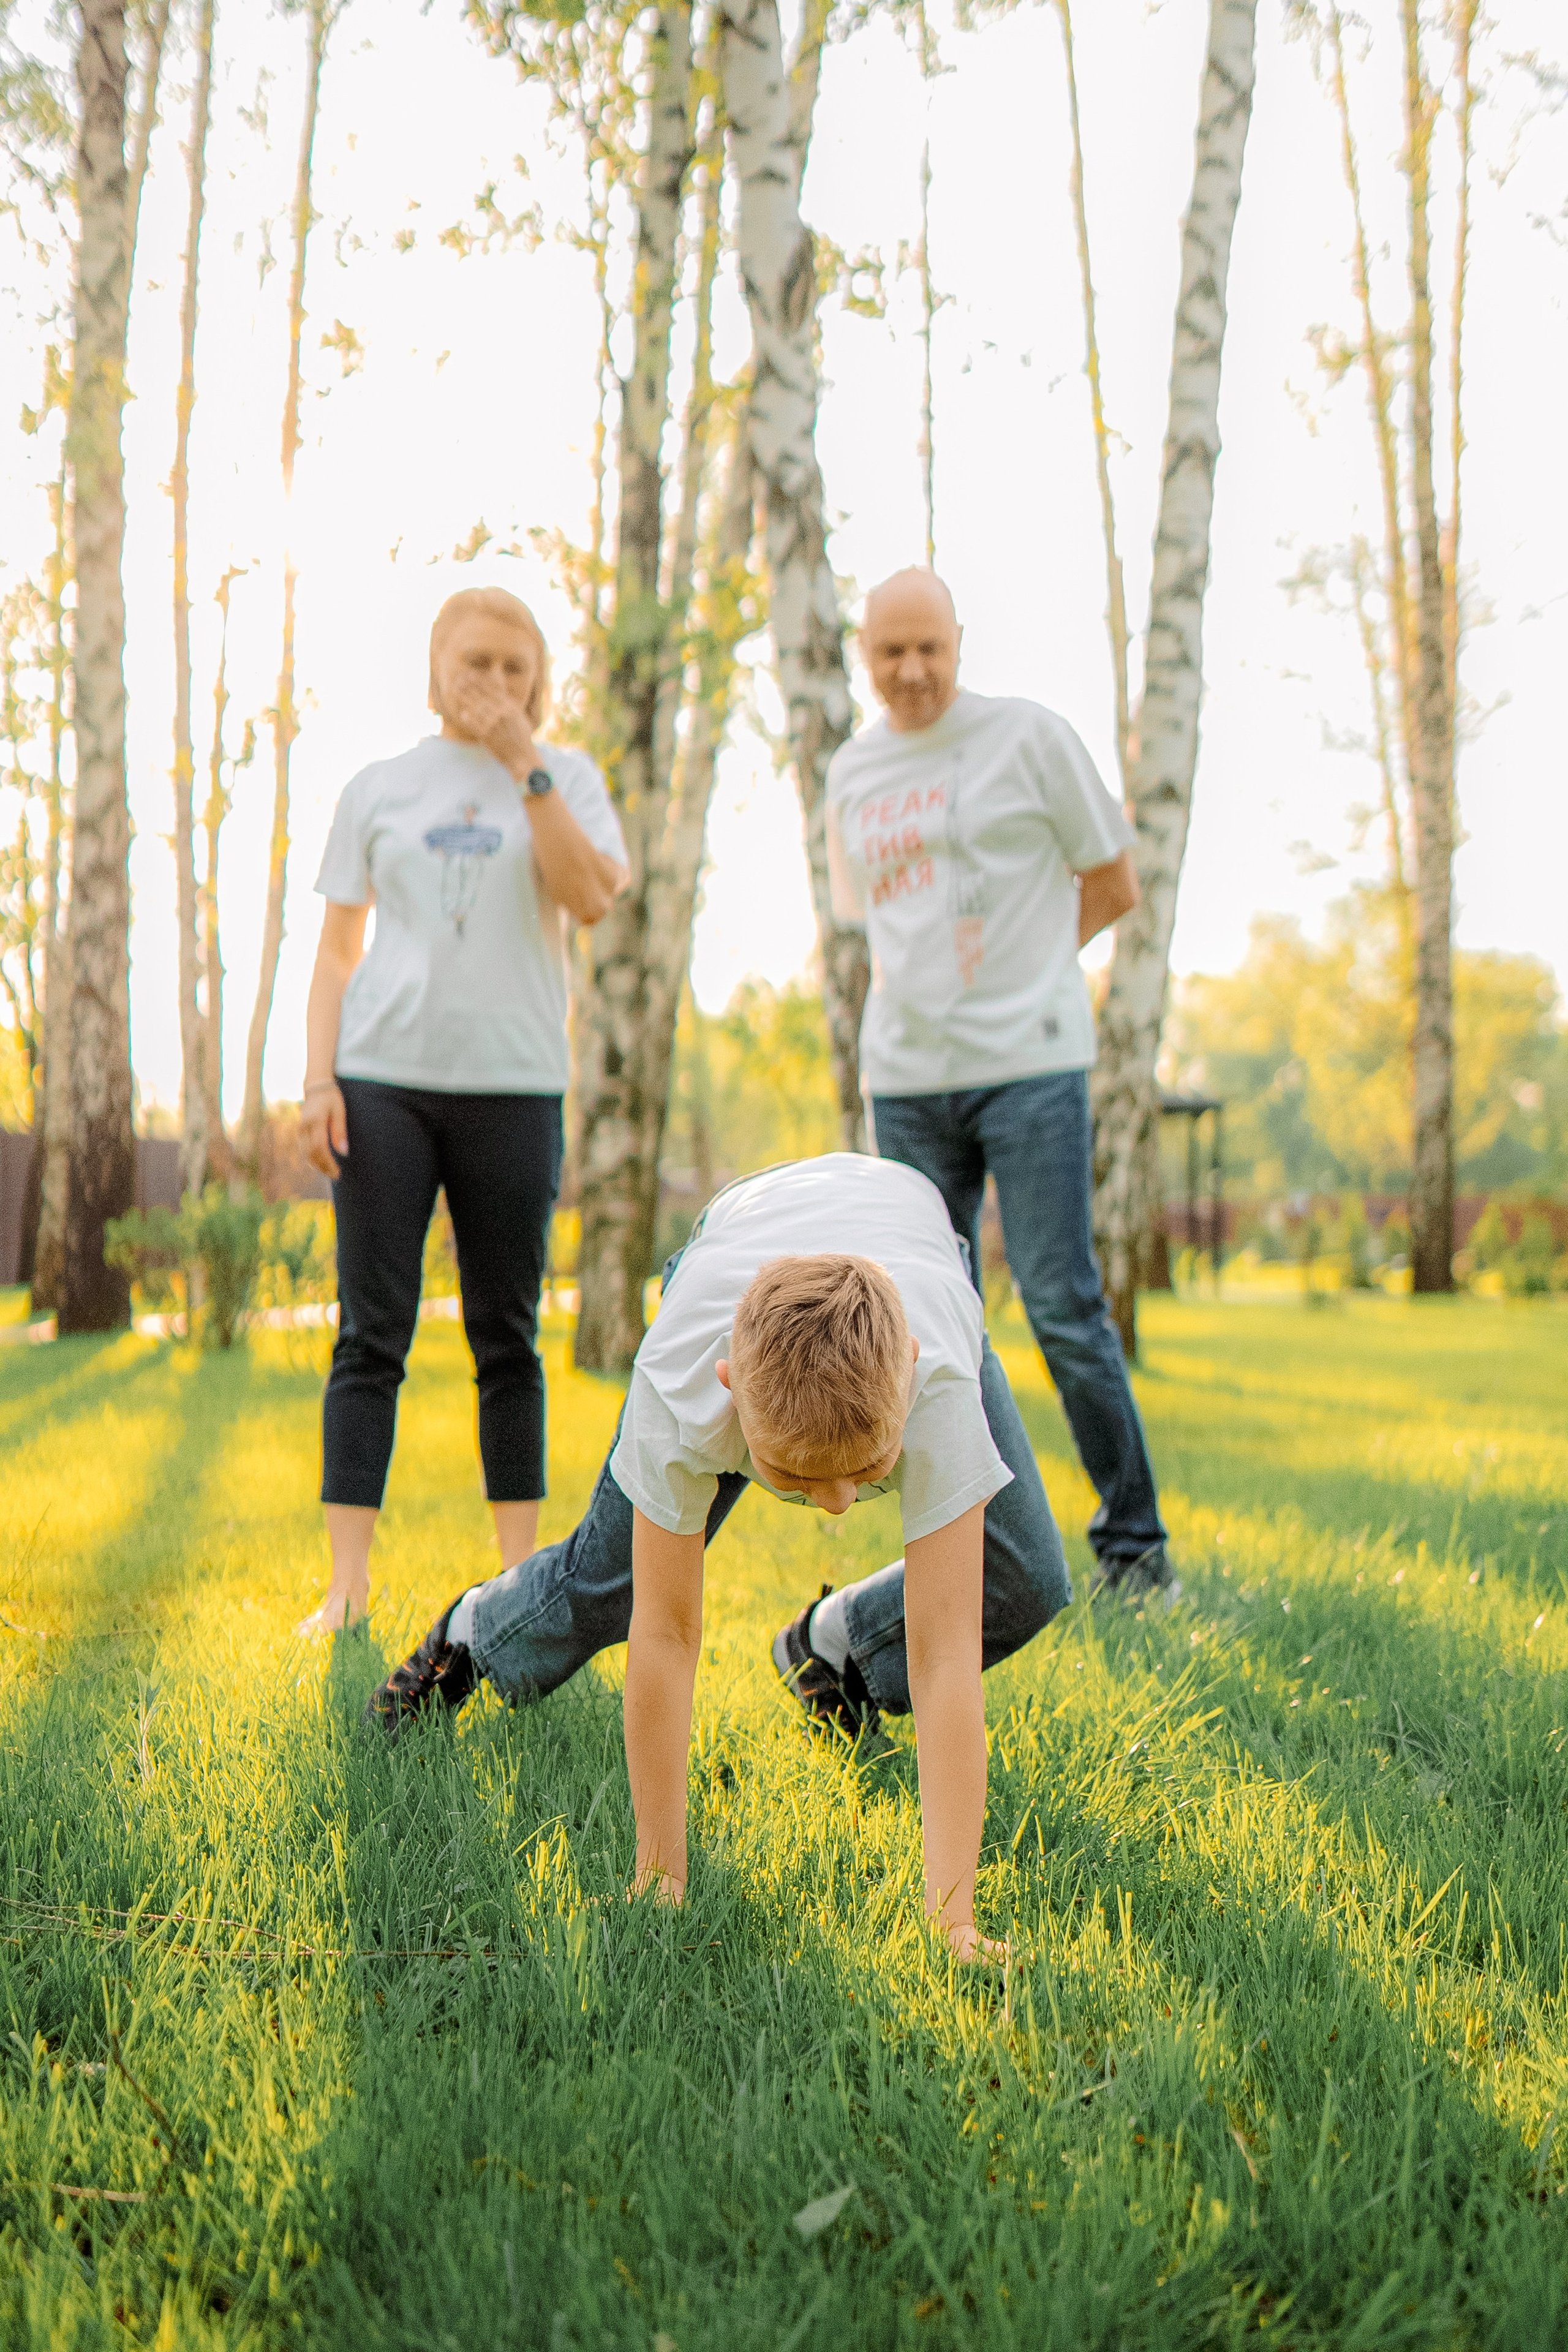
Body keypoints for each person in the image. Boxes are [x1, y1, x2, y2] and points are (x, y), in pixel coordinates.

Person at [364, 1153, 1072, 1963]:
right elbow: (665, 1640)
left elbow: (945, 1656)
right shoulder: (683, 1384)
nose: (837, 1506)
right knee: (614, 1588)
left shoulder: (935, 1377)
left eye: (869, 1471)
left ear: (908, 1374)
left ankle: (832, 1643)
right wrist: (659, 1876)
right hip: (738, 1237)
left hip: (915, 1242)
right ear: (731, 1387)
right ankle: (476, 1627)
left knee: (1022, 1580)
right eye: (799, 1478)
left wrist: (955, 1922)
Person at [826, 568, 1175, 1604]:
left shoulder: (1029, 737)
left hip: (1030, 1067)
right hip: (909, 1080)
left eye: (930, 647)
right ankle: (974, 1551)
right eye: (891, 652)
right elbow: (873, 920)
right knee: (933, 1321)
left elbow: (1113, 880)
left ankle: (1135, 1547)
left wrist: (1027, 970)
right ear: (865, 654)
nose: (913, 670)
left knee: (1065, 1306)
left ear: (960, 642)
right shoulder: (853, 771)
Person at [297, 586, 629, 1639]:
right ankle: (347, 1589)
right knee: (371, 1335)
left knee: (508, 1335)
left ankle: (518, 1584)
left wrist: (527, 762)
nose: (493, 685)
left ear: (540, 682)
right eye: (475, 664)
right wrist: (317, 1080)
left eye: (514, 669)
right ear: (435, 667)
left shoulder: (566, 777)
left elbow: (591, 896)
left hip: (515, 1085)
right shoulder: (380, 786)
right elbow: (337, 953)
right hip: (382, 1082)